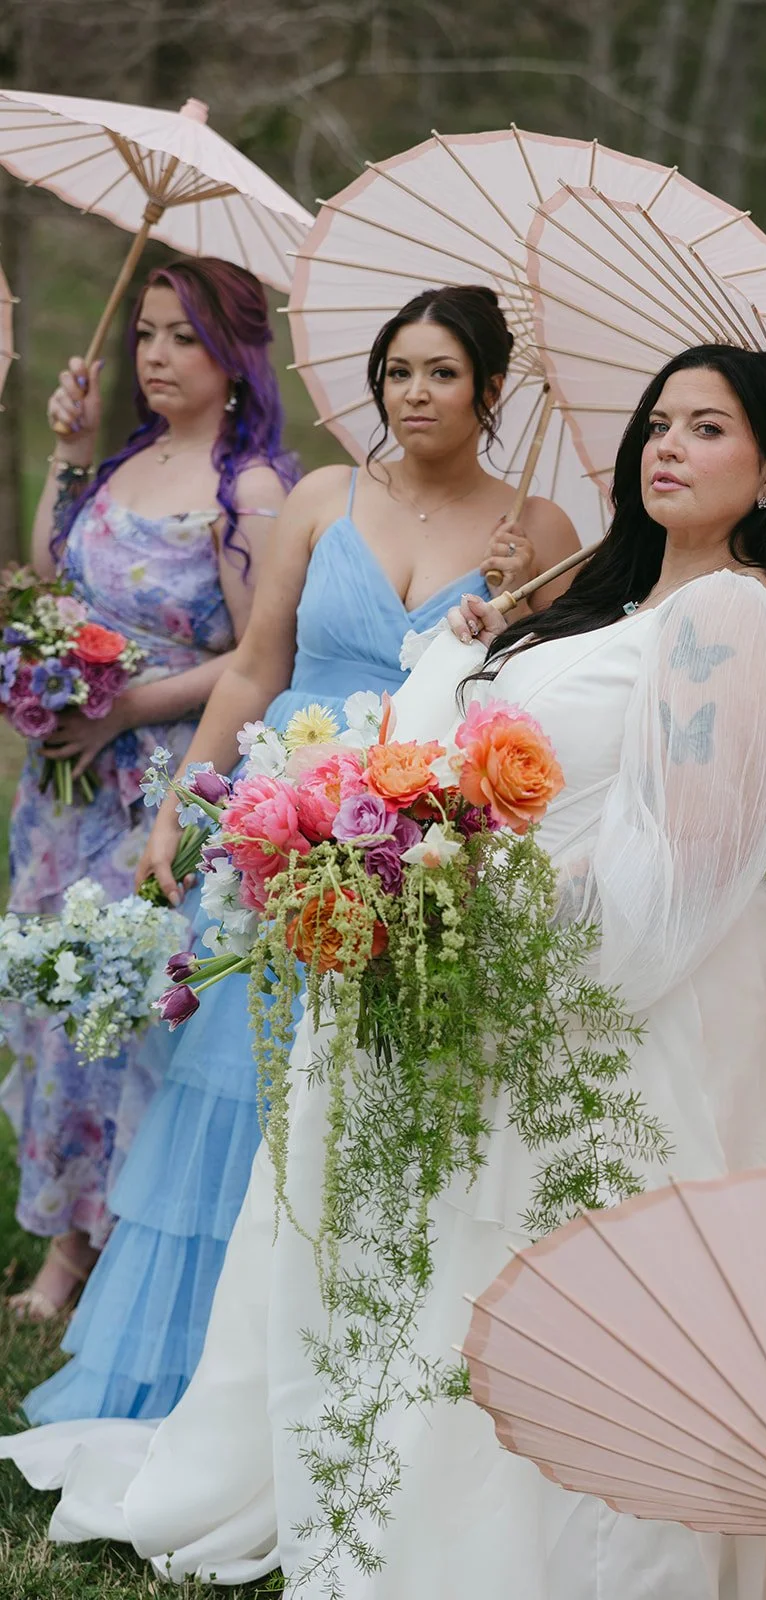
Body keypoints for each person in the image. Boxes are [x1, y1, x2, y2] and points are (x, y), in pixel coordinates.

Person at [0, 342, 766, 1599]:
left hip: (607, 996)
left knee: (568, 1273)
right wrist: (473, 655)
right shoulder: (615, 602)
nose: (667, 445)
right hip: (499, 953)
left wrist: (484, 913)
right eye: (658, 422)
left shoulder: (730, 621)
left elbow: (682, 867)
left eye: (708, 428)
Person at [22, 284, 579, 1425]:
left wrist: (517, 609)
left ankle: (332, 1393)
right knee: (245, 1088)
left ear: (489, 389)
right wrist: (184, 804)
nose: (413, 394)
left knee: (369, 1106)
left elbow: (547, 712)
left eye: (441, 373)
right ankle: (192, 1386)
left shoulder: (540, 531)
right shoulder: (326, 497)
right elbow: (253, 666)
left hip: (421, 851)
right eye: (397, 372)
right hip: (283, 832)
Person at [3, 257, 295, 1323]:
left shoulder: (249, 491)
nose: (158, 356)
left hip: (160, 777)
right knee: (60, 1002)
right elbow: (54, 575)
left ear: (234, 353)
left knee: (128, 1006)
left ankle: (122, 1251)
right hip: (65, 789)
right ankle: (64, 1244)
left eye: (184, 336)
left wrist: (128, 708)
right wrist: (71, 454)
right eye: (147, 334)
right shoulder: (127, 458)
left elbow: (265, 656)